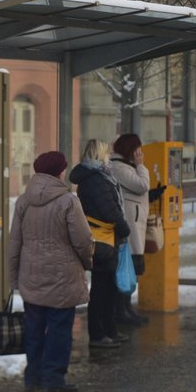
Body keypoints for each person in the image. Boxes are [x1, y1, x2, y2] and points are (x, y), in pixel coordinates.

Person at [8, 151, 94, 392]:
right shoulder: (68, 200)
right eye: (64, 168)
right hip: (62, 278)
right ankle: (54, 379)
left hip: (31, 277)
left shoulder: (24, 201)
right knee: (59, 329)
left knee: (34, 329)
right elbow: (83, 239)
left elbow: (15, 242)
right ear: (59, 171)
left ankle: (33, 376)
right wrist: (88, 261)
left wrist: (14, 278)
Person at [69, 139, 131, 349]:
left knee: (108, 287)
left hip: (105, 238)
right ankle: (98, 334)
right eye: (107, 152)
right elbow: (109, 210)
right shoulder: (96, 179)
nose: (110, 156)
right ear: (99, 154)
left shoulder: (99, 176)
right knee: (101, 289)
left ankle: (109, 330)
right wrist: (124, 227)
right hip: (103, 240)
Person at [110, 133, 166, 326]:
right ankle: (121, 311)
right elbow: (141, 185)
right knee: (126, 269)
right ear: (130, 150)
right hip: (130, 226)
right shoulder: (119, 167)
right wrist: (141, 165)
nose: (140, 154)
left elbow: (138, 191)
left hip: (135, 225)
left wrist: (151, 196)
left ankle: (126, 309)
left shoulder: (126, 167)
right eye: (138, 150)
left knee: (130, 269)